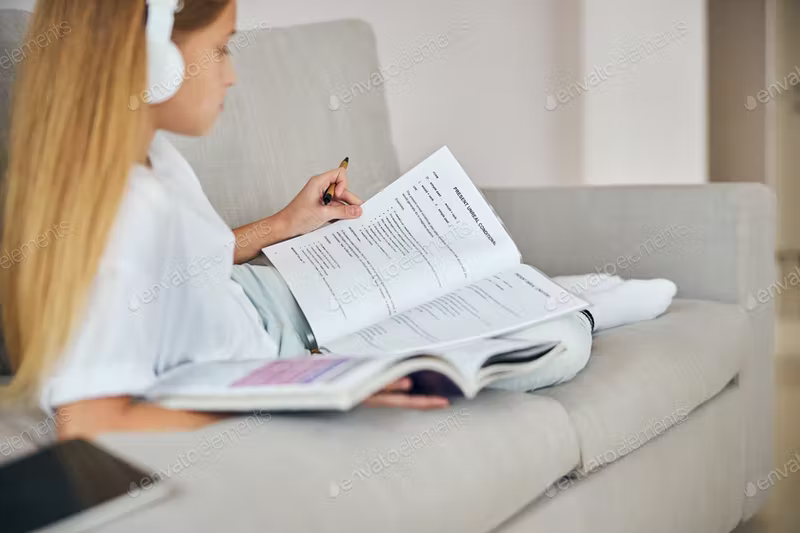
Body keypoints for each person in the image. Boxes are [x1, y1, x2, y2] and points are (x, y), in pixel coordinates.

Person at [0, 0, 676, 439]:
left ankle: (550, 291)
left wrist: (284, 224)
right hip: (279, 348)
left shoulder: (146, 158)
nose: (232, 77)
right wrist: (318, 392)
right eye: (226, 47)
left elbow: (178, 269)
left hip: (264, 296)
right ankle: (572, 304)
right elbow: (90, 424)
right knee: (555, 345)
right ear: (155, 58)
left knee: (419, 262)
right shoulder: (120, 211)